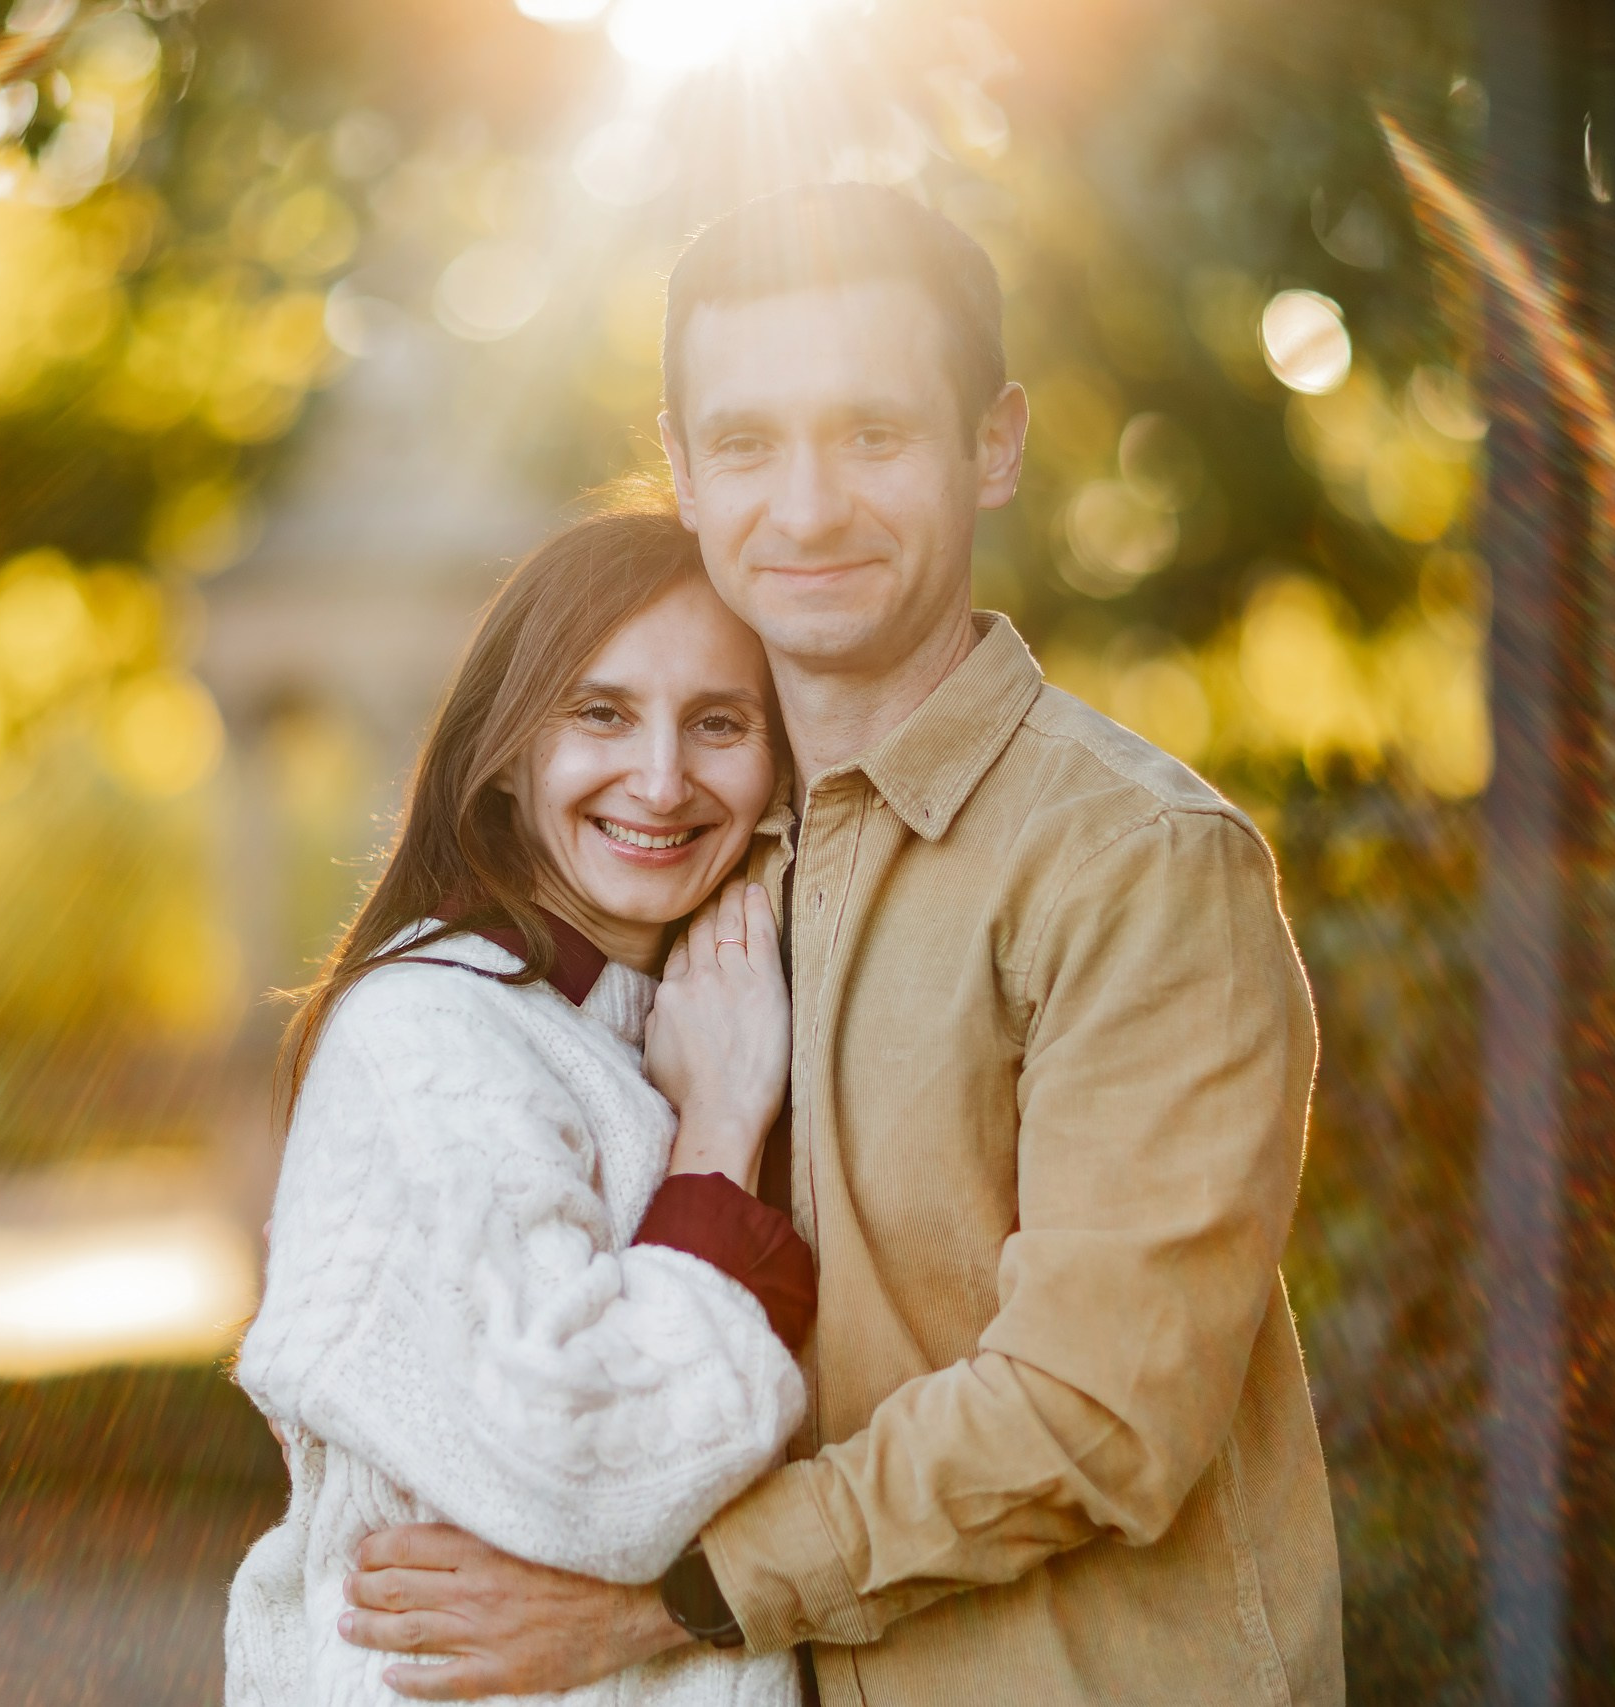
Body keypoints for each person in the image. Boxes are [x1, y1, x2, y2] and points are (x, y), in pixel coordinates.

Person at [338, 184, 1343, 1703]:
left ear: (991, 443)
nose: (805, 507)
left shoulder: (1136, 867)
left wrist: (671, 1594)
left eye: (873, 433)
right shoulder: (686, 855)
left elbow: (1100, 1406)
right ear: (678, 466)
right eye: (745, 442)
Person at [226, 506, 831, 1705]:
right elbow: (578, 1465)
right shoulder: (429, 1034)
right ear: (505, 747)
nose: (659, 780)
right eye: (599, 713)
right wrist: (715, 1137)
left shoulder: (650, 1016)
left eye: (718, 722)